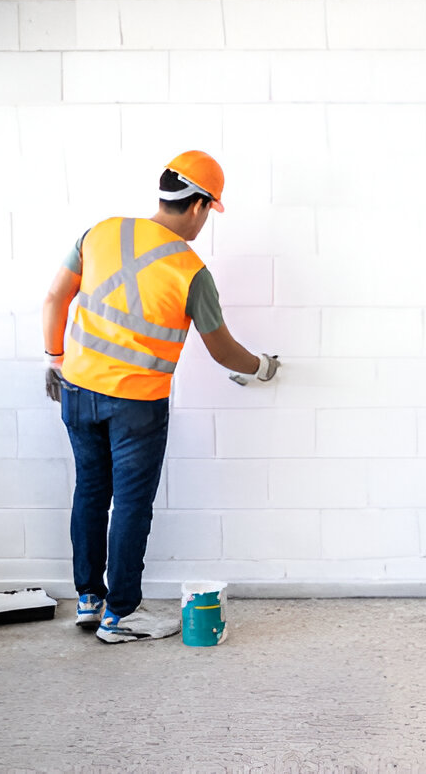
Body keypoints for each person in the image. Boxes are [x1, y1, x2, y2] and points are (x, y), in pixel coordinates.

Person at [41, 150, 279, 643]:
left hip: (77, 391)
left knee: (90, 490)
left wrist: (56, 360)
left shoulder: (100, 232)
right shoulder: (191, 271)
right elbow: (223, 351)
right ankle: (120, 616)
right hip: (136, 406)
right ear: (199, 206)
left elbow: (54, 298)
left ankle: (90, 600)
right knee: (130, 504)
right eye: (209, 213)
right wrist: (261, 367)